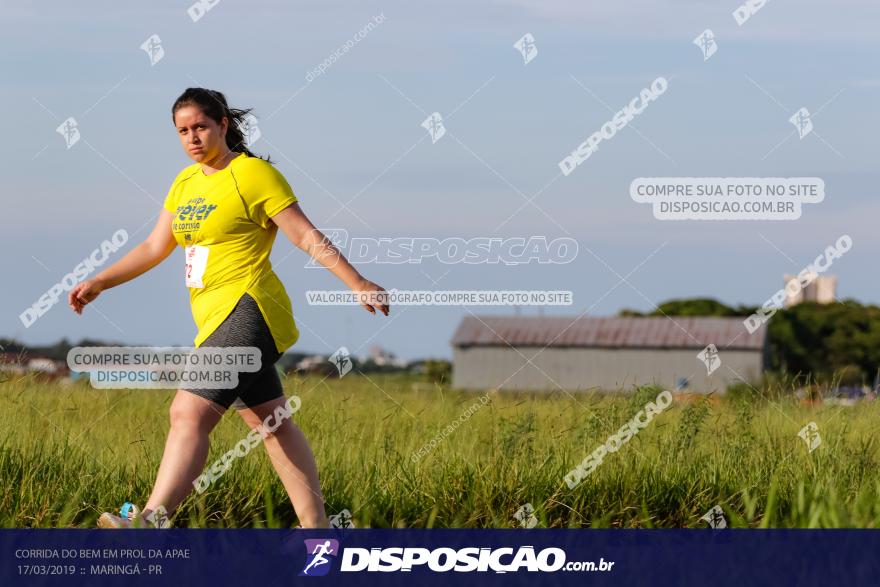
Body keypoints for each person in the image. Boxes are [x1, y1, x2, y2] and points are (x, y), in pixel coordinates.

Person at [67, 87, 389, 529]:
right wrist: (101, 280)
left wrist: (357, 282)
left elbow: (304, 235)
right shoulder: (185, 182)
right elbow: (154, 246)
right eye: (182, 131)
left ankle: (149, 520)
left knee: (187, 411)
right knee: (272, 425)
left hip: (250, 309)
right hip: (212, 318)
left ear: (223, 124)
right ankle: (319, 534)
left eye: (200, 126)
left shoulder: (253, 174)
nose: (192, 138)